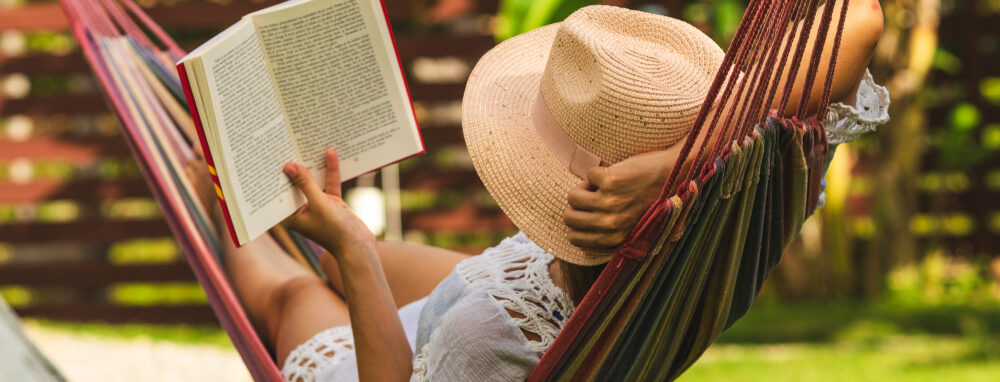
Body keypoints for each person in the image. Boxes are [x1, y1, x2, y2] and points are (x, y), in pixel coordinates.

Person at [185, 2, 888, 381]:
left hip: (422, 359)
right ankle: (299, 226)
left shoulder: (485, 340)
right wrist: (685, 159)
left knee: (301, 293)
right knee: (339, 258)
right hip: (534, 283)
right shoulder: (733, 208)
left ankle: (217, 202)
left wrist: (356, 253)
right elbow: (861, 17)